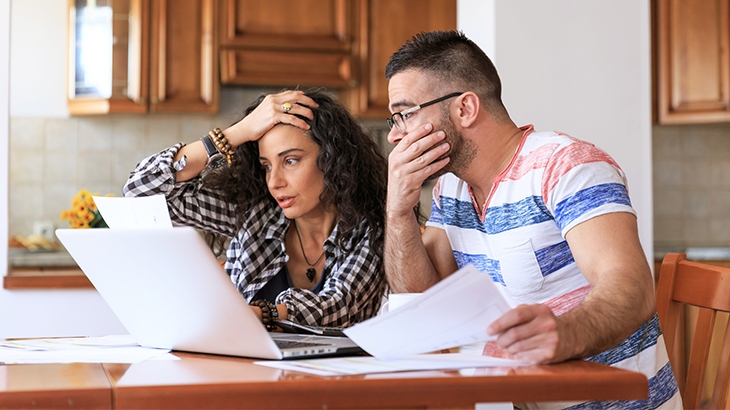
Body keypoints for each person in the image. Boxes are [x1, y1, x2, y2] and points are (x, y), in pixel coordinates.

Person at [383, 30, 681, 409]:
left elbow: (633, 288)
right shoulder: (451, 191)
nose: (396, 135)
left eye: (404, 114)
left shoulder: (568, 166)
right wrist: (397, 212)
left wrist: (566, 333)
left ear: (465, 109)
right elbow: (425, 308)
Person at [123, 89, 387, 330]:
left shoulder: (372, 228)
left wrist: (256, 314)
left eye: (291, 161)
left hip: (340, 379)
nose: (275, 182)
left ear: (332, 159)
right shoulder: (256, 216)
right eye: (266, 166)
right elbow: (139, 192)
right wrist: (237, 133)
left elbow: (338, 307)